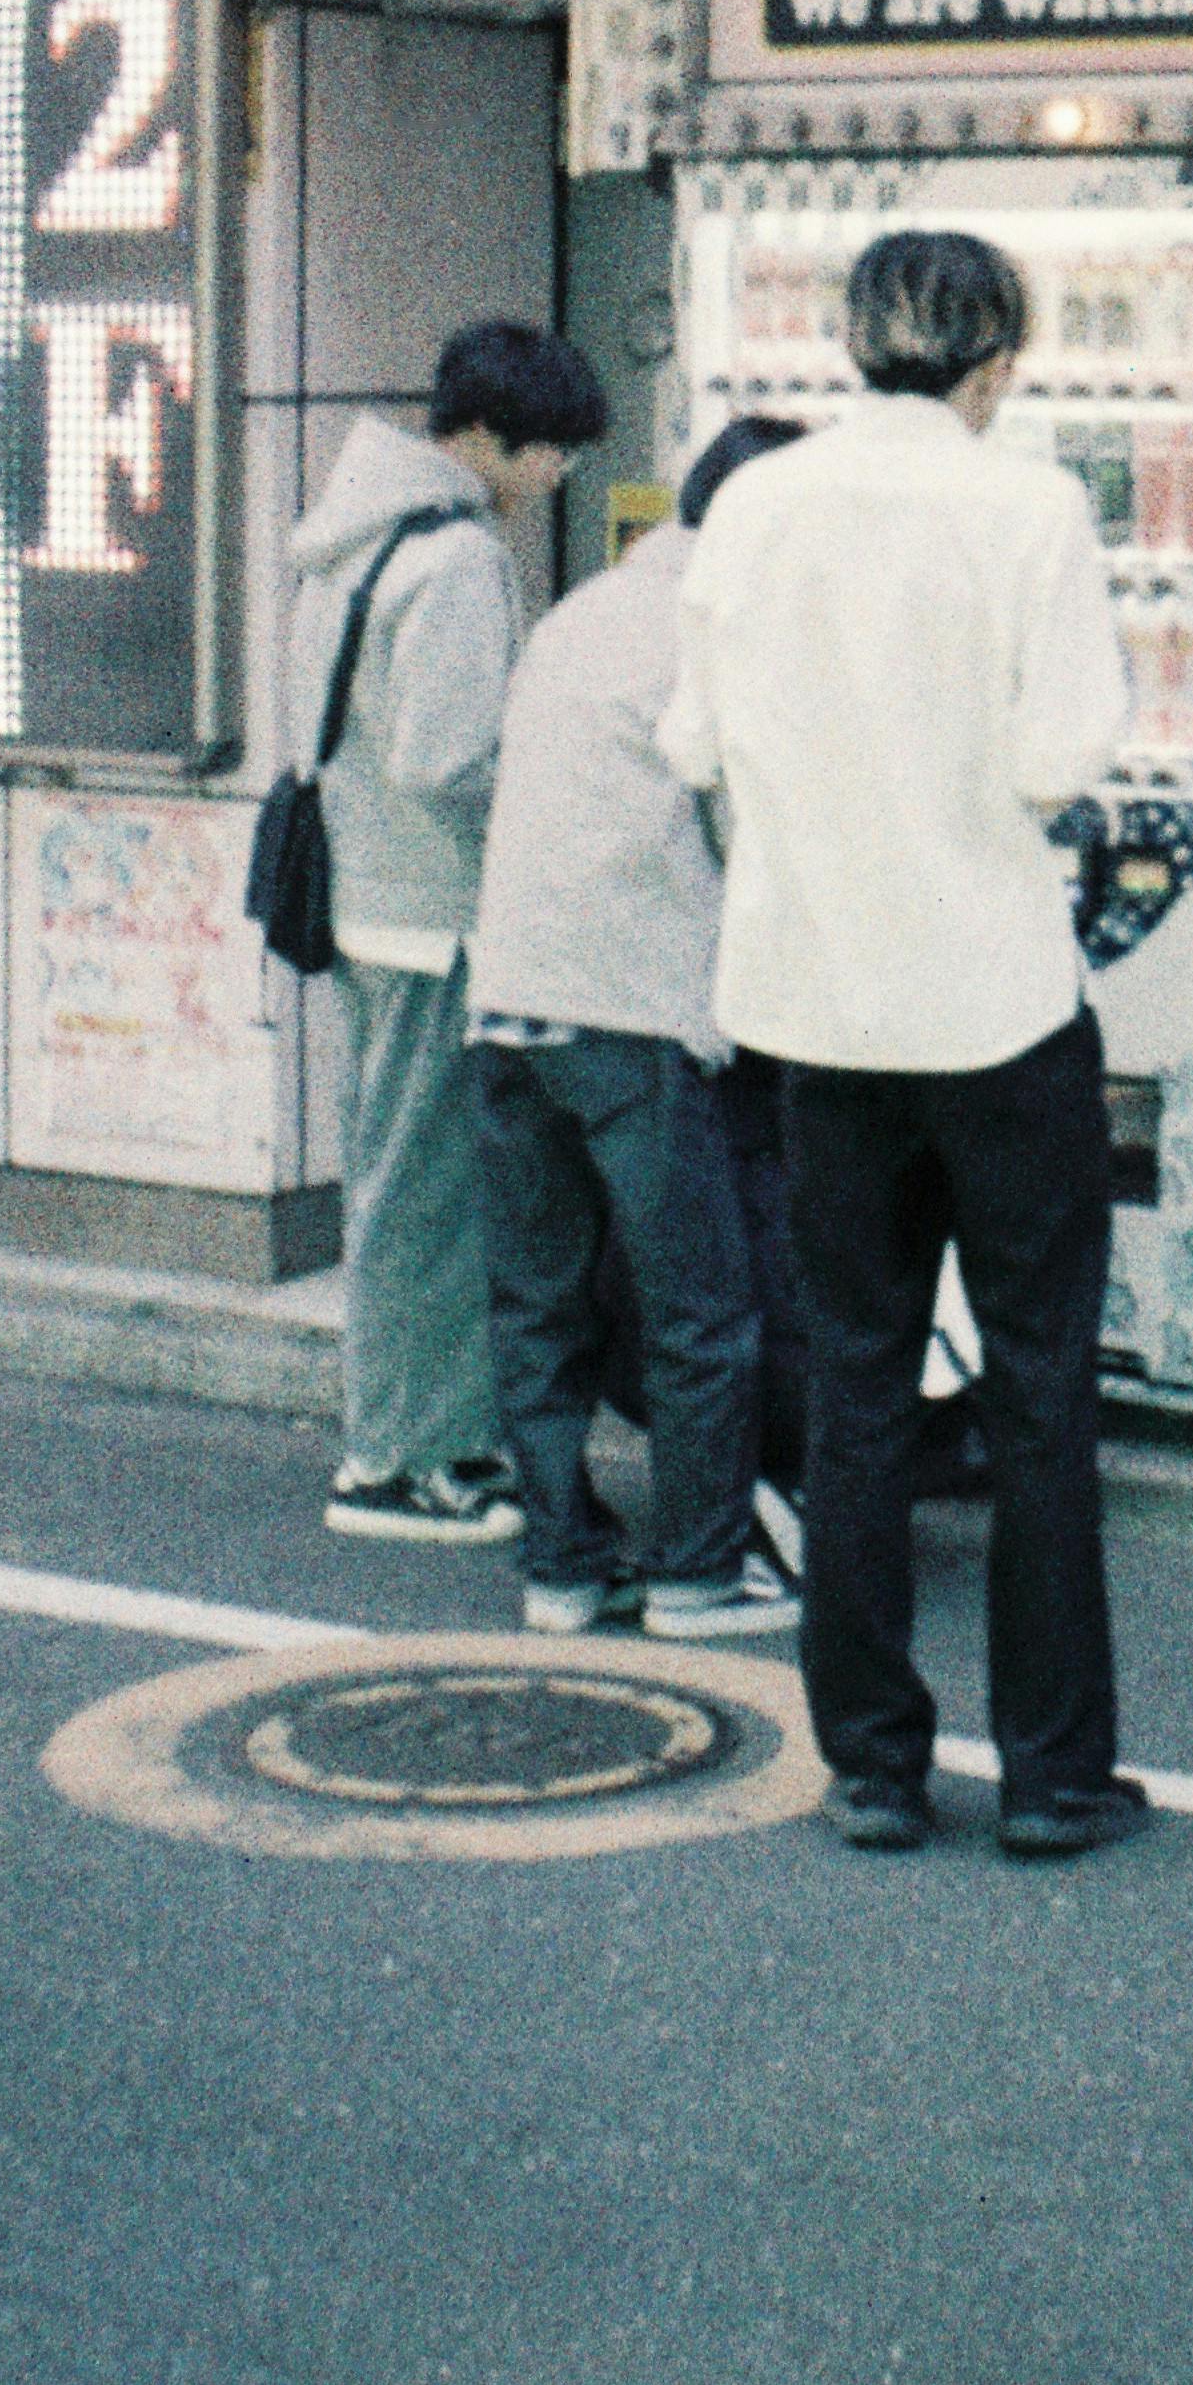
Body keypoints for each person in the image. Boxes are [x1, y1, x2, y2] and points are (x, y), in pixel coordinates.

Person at [663, 227, 1142, 1861]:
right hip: (997, 1008)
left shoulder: (754, 504)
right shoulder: (1029, 506)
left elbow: (689, 739)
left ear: (854, 343)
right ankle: (1054, 1774)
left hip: (815, 1006)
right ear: (995, 359)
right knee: (1037, 1392)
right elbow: (1060, 754)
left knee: (857, 1389)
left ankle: (870, 1762)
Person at [468, 413, 807, 1641]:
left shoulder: (586, 609)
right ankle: (699, 1572)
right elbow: (748, 832)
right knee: (701, 1311)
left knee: (540, 1305)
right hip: (632, 1008)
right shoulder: (718, 630)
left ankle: (562, 1567)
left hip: (507, 997)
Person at [287, 318, 607, 1540]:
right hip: (432, 914)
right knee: (428, 1195)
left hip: (366, 902)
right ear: (483, 435)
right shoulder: (458, 553)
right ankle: (404, 1460)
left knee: (394, 1182)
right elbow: (448, 759)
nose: (557, 474)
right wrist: (542, 832)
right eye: (547, 449)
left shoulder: (353, 531)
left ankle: (408, 1438)